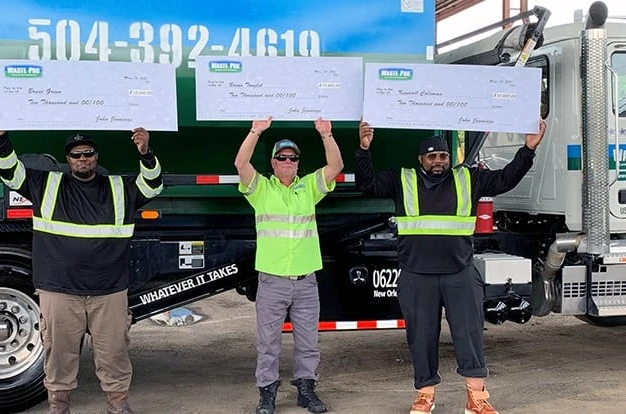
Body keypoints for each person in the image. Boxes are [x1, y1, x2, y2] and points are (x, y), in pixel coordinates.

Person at [354, 119, 546, 414]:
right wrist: (364, 149)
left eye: (443, 156)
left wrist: (528, 149)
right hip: (417, 274)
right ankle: (425, 395)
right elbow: (366, 185)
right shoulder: (401, 179)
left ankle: (476, 397)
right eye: (431, 156)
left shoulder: (469, 178)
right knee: (421, 336)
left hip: (460, 272)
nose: (438, 161)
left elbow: (506, 179)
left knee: (469, 333)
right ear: (421, 160)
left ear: (449, 158)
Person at [0, 105, 164, 414]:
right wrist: (0, 136)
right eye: (76, 155)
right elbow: (10, 172)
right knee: (59, 356)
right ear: (68, 160)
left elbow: (153, 184)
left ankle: (118, 406)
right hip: (59, 291)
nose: (83, 159)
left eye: (88, 153)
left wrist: (146, 153)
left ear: (96, 157)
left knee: (115, 354)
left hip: (108, 292)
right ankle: (59, 407)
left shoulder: (119, 187)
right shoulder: (46, 185)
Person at [234, 117, 343, 414]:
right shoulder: (261, 191)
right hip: (272, 280)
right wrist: (256, 130)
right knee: (268, 343)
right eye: (281, 157)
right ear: (273, 162)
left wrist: (326, 134)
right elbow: (241, 163)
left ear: (297, 163)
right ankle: (266, 394)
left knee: (308, 342)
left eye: (292, 157)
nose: (287, 161)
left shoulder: (308, 188)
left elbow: (335, 166)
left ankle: (306, 391)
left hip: (306, 280)